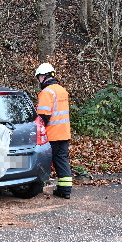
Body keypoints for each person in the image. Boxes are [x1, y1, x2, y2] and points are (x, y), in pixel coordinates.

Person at [35, 63, 72, 199]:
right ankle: (64, 189)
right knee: (62, 161)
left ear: (44, 76)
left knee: (47, 160)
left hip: (53, 134)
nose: (39, 81)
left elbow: (43, 117)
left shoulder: (46, 93)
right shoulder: (62, 90)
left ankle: (41, 186)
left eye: (39, 77)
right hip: (64, 132)